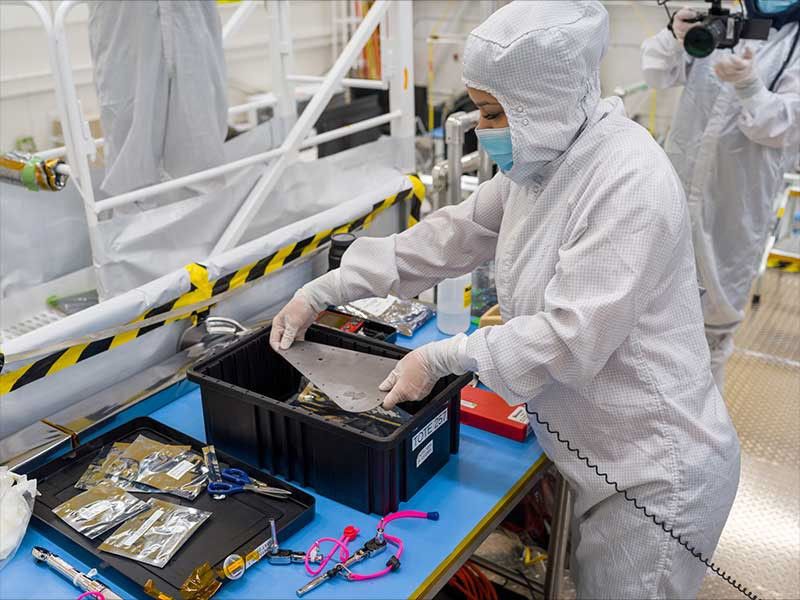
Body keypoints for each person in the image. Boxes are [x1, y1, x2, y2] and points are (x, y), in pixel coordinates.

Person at [272, 2, 741, 597]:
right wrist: (327, 288)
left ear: (544, 99)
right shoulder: (546, 163)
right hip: (603, 450)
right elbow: (451, 235)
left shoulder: (627, 181)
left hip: (654, 473)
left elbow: (570, 339)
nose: (483, 126)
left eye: (494, 112)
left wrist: (444, 357)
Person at [641, 0, 800, 390]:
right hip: (678, 185)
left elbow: (787, 128)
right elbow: (657, 73)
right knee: (652, 305)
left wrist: (750, 88)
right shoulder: (723, 20)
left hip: (737, 202)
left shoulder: (795, 45)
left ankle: (700, 429)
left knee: (712, 325)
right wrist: (673, 36)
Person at [88, 1, 228, 196]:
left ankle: (209, 221)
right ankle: (134, 224)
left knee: (202, 156)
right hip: (126, 32)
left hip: (192, 27)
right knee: (130, 170)